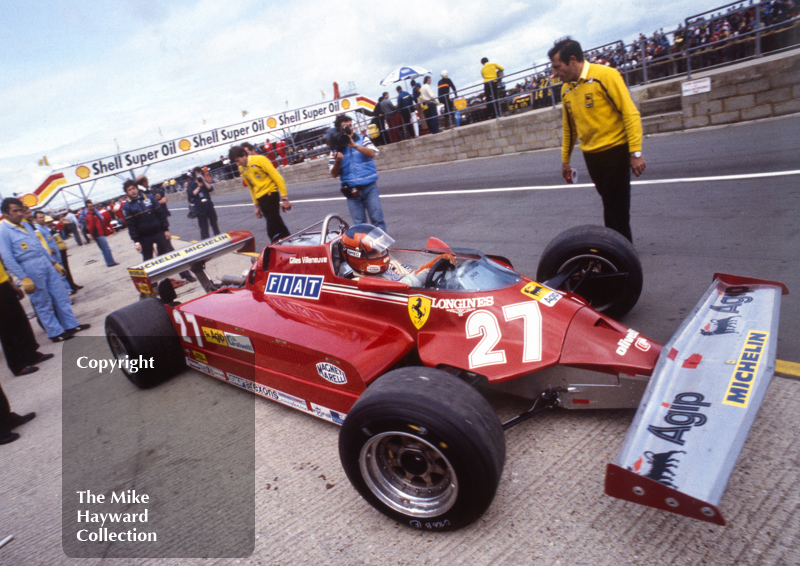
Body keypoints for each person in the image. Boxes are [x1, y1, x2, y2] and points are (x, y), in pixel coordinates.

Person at [549, 37, 646, 242]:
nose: (555, 73)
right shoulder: (566, 89)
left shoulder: (605, 75)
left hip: (615, 151)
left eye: (558, 67)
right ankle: (620, 249)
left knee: (614, 207)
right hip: (591, 156)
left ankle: (618, 255)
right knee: (610, 203)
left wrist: (635, 152)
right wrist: (565, 160)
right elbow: (569, 128)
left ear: (572, 60)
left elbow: (630, 114)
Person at [0, 198, 89, 342]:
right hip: (28, 266)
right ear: (5, 214)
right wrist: (23, 277)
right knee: (42, 301)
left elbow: (39, 247)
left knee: (60, 295)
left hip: (43, 261)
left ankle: (71, 325)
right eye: (14, 211)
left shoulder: (26, 225)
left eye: (20, 210)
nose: (19, 213)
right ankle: (55, 332)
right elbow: (8, 258)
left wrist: (53, 263)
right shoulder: (3, 231)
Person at [337, 224, 455, 286]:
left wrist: (431, 265)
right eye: (373, 252)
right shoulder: (361, 283)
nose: (380, 254)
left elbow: (411, 275)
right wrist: (427, 271)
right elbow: (403, 286)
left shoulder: (391, 265)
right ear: (357, 256)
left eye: (381, 248)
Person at [328, 115, 387, 231]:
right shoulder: (336, 148)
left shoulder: (363, 139)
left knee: (378, 220)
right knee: (359, 225)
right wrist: (338, 161)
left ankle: (382, 248)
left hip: (369, 187)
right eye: (345, 127)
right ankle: (366, 248)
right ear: (339, 130)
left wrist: (355, 145)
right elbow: (333, 173)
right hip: (352, 191)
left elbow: (372, 154)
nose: (349, 129)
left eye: (350, 125)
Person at [0, 255, 54, 376]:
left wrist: (10, 284)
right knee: (6, 328)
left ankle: (31, 354)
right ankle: (17, 365)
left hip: (3, 284)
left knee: (20, 321)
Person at [136, 176, 195, 282]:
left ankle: (184, 274)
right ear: (144, 182)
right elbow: (145, 207)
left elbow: (158, 210)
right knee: (149, 258)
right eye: (147, 181)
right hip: (146, 232)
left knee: (168, 251)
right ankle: (151, 283)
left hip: (157, 228)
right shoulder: (139, 195)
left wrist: (165, 228)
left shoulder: (148, 192)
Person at [229, 145, 292, 242]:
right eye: (235, 162)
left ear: (243, 155)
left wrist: (284, 198)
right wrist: (256, 206)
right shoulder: (242, 168)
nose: (237, 164)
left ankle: (275, 249)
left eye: (238, 160)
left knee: (271, 230)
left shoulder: (260, 160)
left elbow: (278, 178)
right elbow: (251, 187)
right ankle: (291, 240)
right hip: (260, 198)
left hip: (271, 194)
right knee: (278, 223)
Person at [121, 180, 171, 261]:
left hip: (158, 232)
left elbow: (161, 214)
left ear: (137, 188)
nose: (132, 191)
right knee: (148, 259)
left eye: (133, 188)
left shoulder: (150, 197)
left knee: (170, 253)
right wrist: (136, 241)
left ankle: (185, 273)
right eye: (129, 190)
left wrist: (166, 230)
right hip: (144, 237)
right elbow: (131, 225)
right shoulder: (126, 207)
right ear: (127, 192)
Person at [83, 200, 119, 267]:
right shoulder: (90, 215)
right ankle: (111, 262)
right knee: (106, 248)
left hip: (99, 233)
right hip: (98, 234)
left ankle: (109, 262)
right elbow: (90, 226)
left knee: (104, 249)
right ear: (87, 207)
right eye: (90, 206)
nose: (92, 207)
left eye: (92, 206)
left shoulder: (92, 213)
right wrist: (91, 235)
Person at [187, 167, 220, 240]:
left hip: (208, 203)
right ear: (194, 174)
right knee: (203, 226)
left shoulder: (204, 180)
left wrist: (204, 181)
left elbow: (210, 189)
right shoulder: (191, 183)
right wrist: (198, 187)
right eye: (197, 173)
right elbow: (192, 194)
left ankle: (218, 238)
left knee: (214, 222)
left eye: (200, 172)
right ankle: (206, 241)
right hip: (199, 205)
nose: (199, 174)